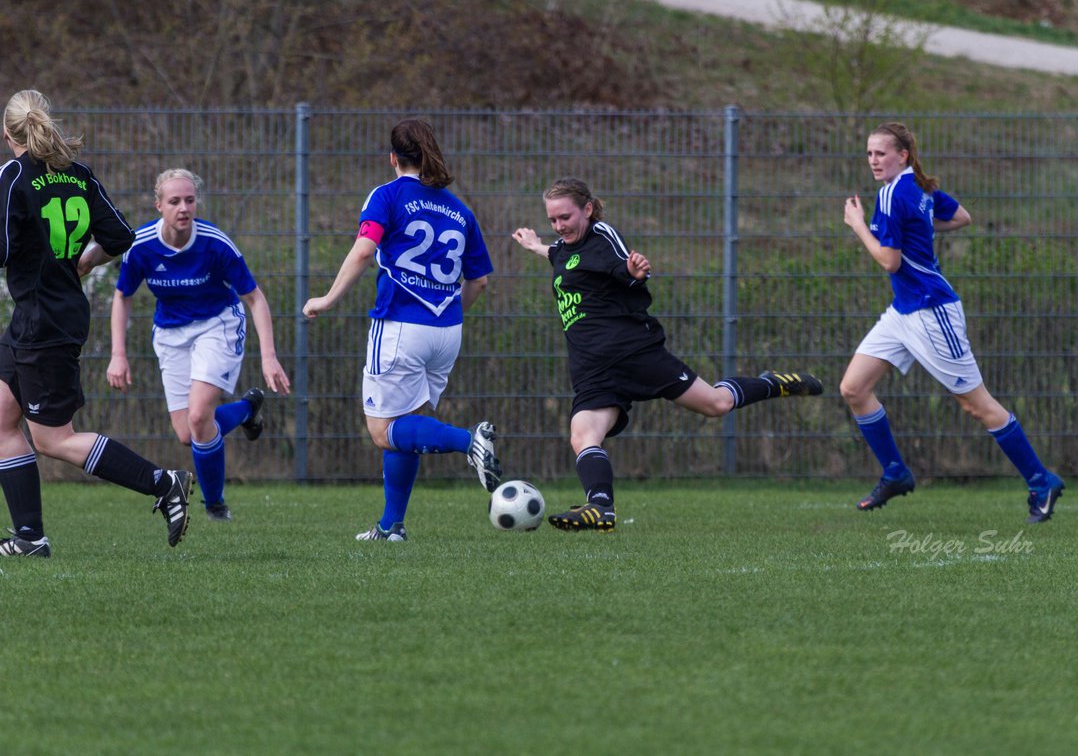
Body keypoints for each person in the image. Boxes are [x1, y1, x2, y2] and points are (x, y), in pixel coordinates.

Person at [512, 177, 824, 533]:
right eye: (552, 220)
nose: (559, 226)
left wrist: (634, 272)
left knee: (716, 405)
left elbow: (622, 267)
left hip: (633, 353)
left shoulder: (603, 237)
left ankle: (772, 384)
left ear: (586, 209)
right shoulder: (563, 248)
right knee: (582, 435)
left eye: (564, 217)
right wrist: (537, 245)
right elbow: (563, 256)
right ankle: (600, 508)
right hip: (592, 367)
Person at [840, 122, 1065, 523]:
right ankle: (895, 472)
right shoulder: (919, 188)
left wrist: (858, 225)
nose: (874, 160)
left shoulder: (892, 194)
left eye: (881, 153)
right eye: (869, 153)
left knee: (976, 405)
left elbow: (889, 260)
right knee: (854, 388)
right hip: (904, 311)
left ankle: (1040, 479)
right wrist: (919, 230)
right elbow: (962, 217)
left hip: (930, 312)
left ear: (903, 155)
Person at [0, 90, 192, 557]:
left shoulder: (12, 176)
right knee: (1, 416)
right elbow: (120, 236)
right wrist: (82, 263)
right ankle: (30, 537)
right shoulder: (78, 174)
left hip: (42, 324)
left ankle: (162, 483)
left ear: (8, 135)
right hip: (48, 314)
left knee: (53, 439)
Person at [303, 117, 501, 542]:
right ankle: (392, 526)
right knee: (406, 423)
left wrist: (327, 298)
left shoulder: (387, 195)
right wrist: (447, 312)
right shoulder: (459, 209)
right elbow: (480, 281)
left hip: (400, 327)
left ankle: (469, 442)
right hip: (447, 332)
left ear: (393, 158)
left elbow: (363, 251)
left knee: (382, 430)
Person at [91, 168, 291, 521]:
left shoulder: (215, 244)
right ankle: (247, 409)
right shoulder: (141, 246)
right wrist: (117, 355)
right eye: (174, 201)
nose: (183, 207)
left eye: (189, 200)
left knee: (200, 417)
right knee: (187, 433)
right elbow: (122, 297)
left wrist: (269, 357)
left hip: (218, 325)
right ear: (159, 205)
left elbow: (255, 298)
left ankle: (214, 504)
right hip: (170, 334)